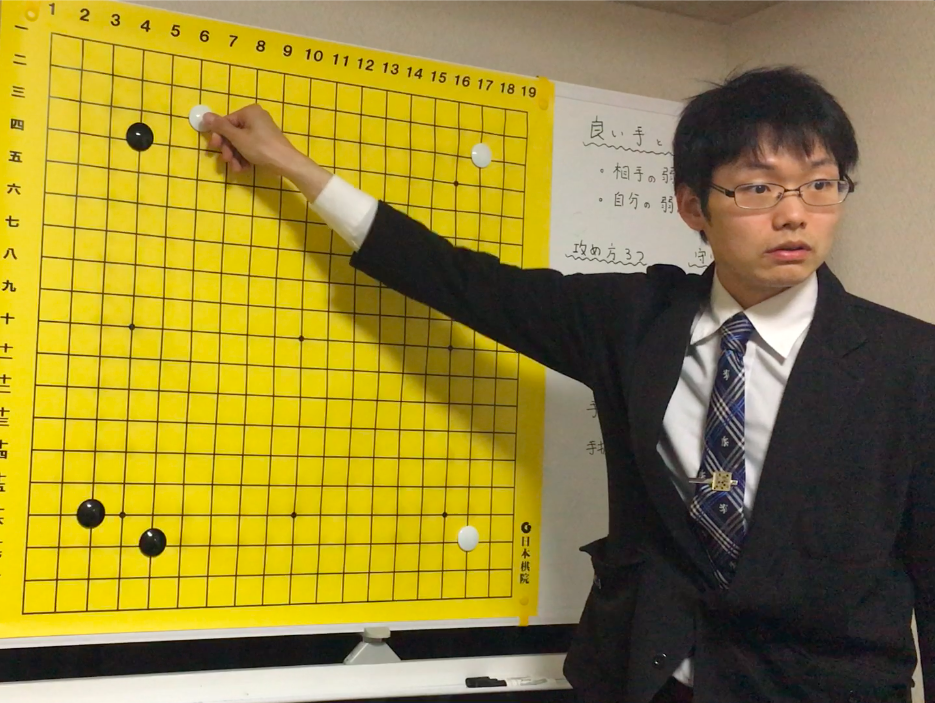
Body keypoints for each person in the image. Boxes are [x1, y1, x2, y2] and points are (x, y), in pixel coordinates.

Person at [198, 66, 935, 703]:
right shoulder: (635, 320)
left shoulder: (910, 362)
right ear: (693, 207)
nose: (795, 212)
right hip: (642, 679)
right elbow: (458, 280)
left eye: (820, 184)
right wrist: (291, 165)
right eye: (758, 188)